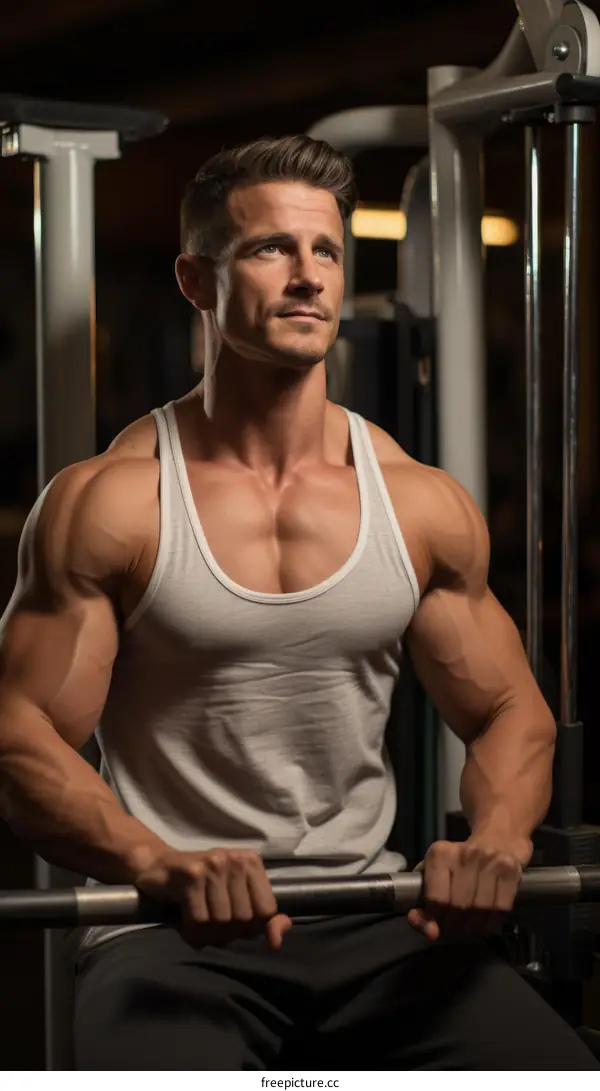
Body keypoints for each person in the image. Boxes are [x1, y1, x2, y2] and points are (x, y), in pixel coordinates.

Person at [0, 135, 595, 1072]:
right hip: (170, 934)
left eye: (325, 251)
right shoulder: (112, 502)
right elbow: (23, 738)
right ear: (198, 281)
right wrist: (158, 864)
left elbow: (510, 711)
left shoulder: (417, 501)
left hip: (376, 920)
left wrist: (498, 839)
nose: (309, 277)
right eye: (271, 249)